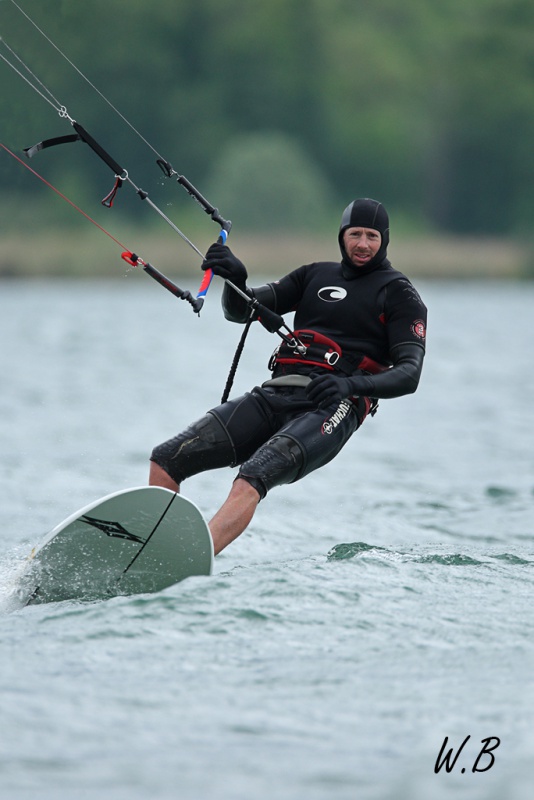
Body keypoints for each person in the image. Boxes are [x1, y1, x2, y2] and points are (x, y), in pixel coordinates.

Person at [149, 198, 427, 555]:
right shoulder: (314, 275)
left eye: (372, 236)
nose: (362, 244)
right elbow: (241, 311)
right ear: (341, 236)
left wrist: (350, 384)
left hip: (332, 407)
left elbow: (410, 374)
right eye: (354, 234)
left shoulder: (399, 294)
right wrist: (235, 279)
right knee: (167, 457)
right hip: (277, 393)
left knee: (253, 475)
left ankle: (191, 558)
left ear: (384, 240)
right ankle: (152, 549)